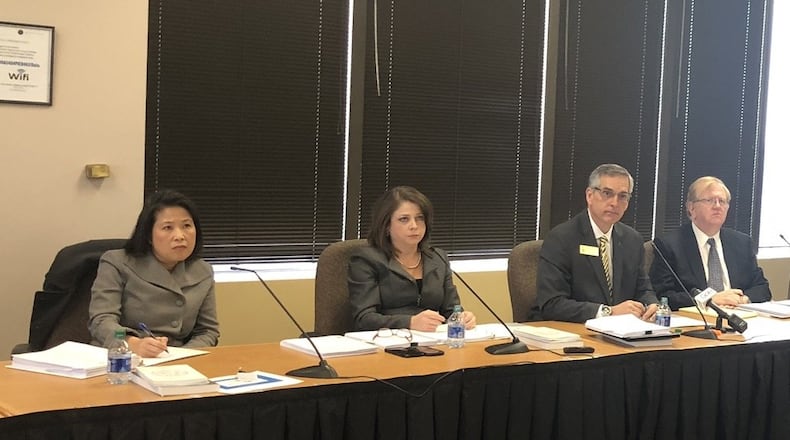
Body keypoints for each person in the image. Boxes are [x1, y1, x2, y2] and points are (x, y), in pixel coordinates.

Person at [89, 190, 219, 357]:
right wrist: (132, 343)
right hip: (121, 356)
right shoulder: (116, 262)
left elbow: (207, 331)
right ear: (149, 235)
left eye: (187, 226)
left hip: (176, 360)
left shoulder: (203, 271)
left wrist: (182, 355)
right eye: (167, 227)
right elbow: (102, 320)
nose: (180, 236)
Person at [534, 164, 658, 323]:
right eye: (607, 193)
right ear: (589, 195)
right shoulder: (561, 238)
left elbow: (643, 289)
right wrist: (608, 312)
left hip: (624, 332)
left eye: (622, 196)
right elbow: (552, 304)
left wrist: (651, 305)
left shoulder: (632, 240)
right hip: (577, 332)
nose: (615, 203)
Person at [348, 186, 476, 332]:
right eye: (404, 219)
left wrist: (462, 318)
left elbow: (452, 310)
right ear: (386, 226)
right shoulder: (366, 260)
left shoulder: (438, 258)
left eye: (419, 218)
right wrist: (409, 322)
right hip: (387, 343)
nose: (414, 226)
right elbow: (364, 319)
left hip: (432, 342)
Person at [650, 176, 771, 309]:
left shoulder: (741, 243)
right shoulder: (670, 245)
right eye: (710, 201)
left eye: (722, 201)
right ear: (691, 208)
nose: (718, 206)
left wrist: (742, 300)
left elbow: (762, 288)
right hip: (697, 320)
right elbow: (663, 295)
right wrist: (710, 299)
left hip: (739, 314)